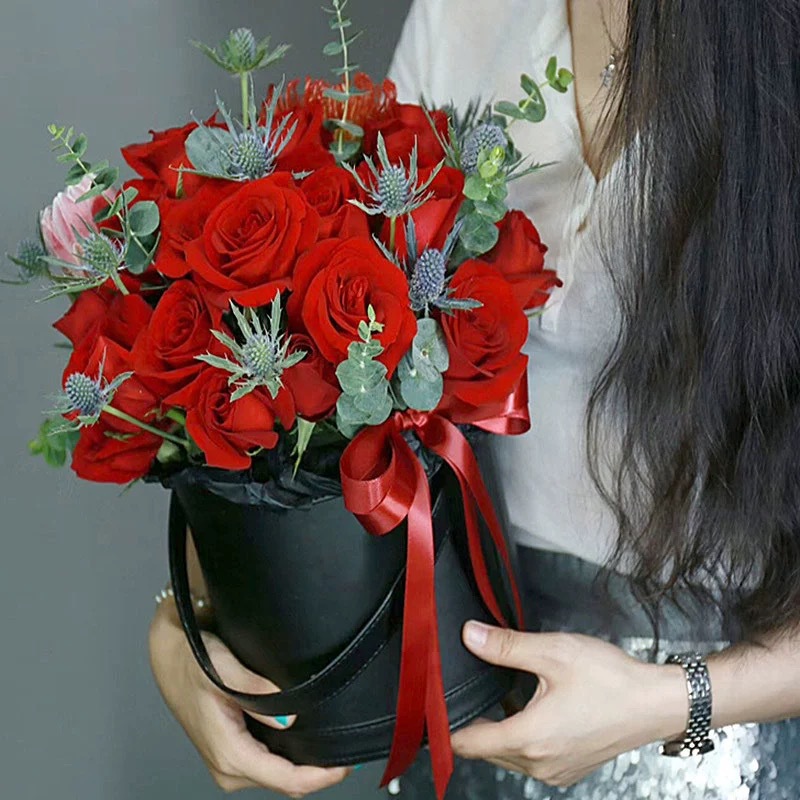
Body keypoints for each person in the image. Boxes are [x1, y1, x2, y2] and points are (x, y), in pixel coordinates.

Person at [148, 0, 800, 797]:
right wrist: (185, 623)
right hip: (460, 697)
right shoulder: (463, 13)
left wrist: (675, 702)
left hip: (710, 755)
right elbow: (340, 389)